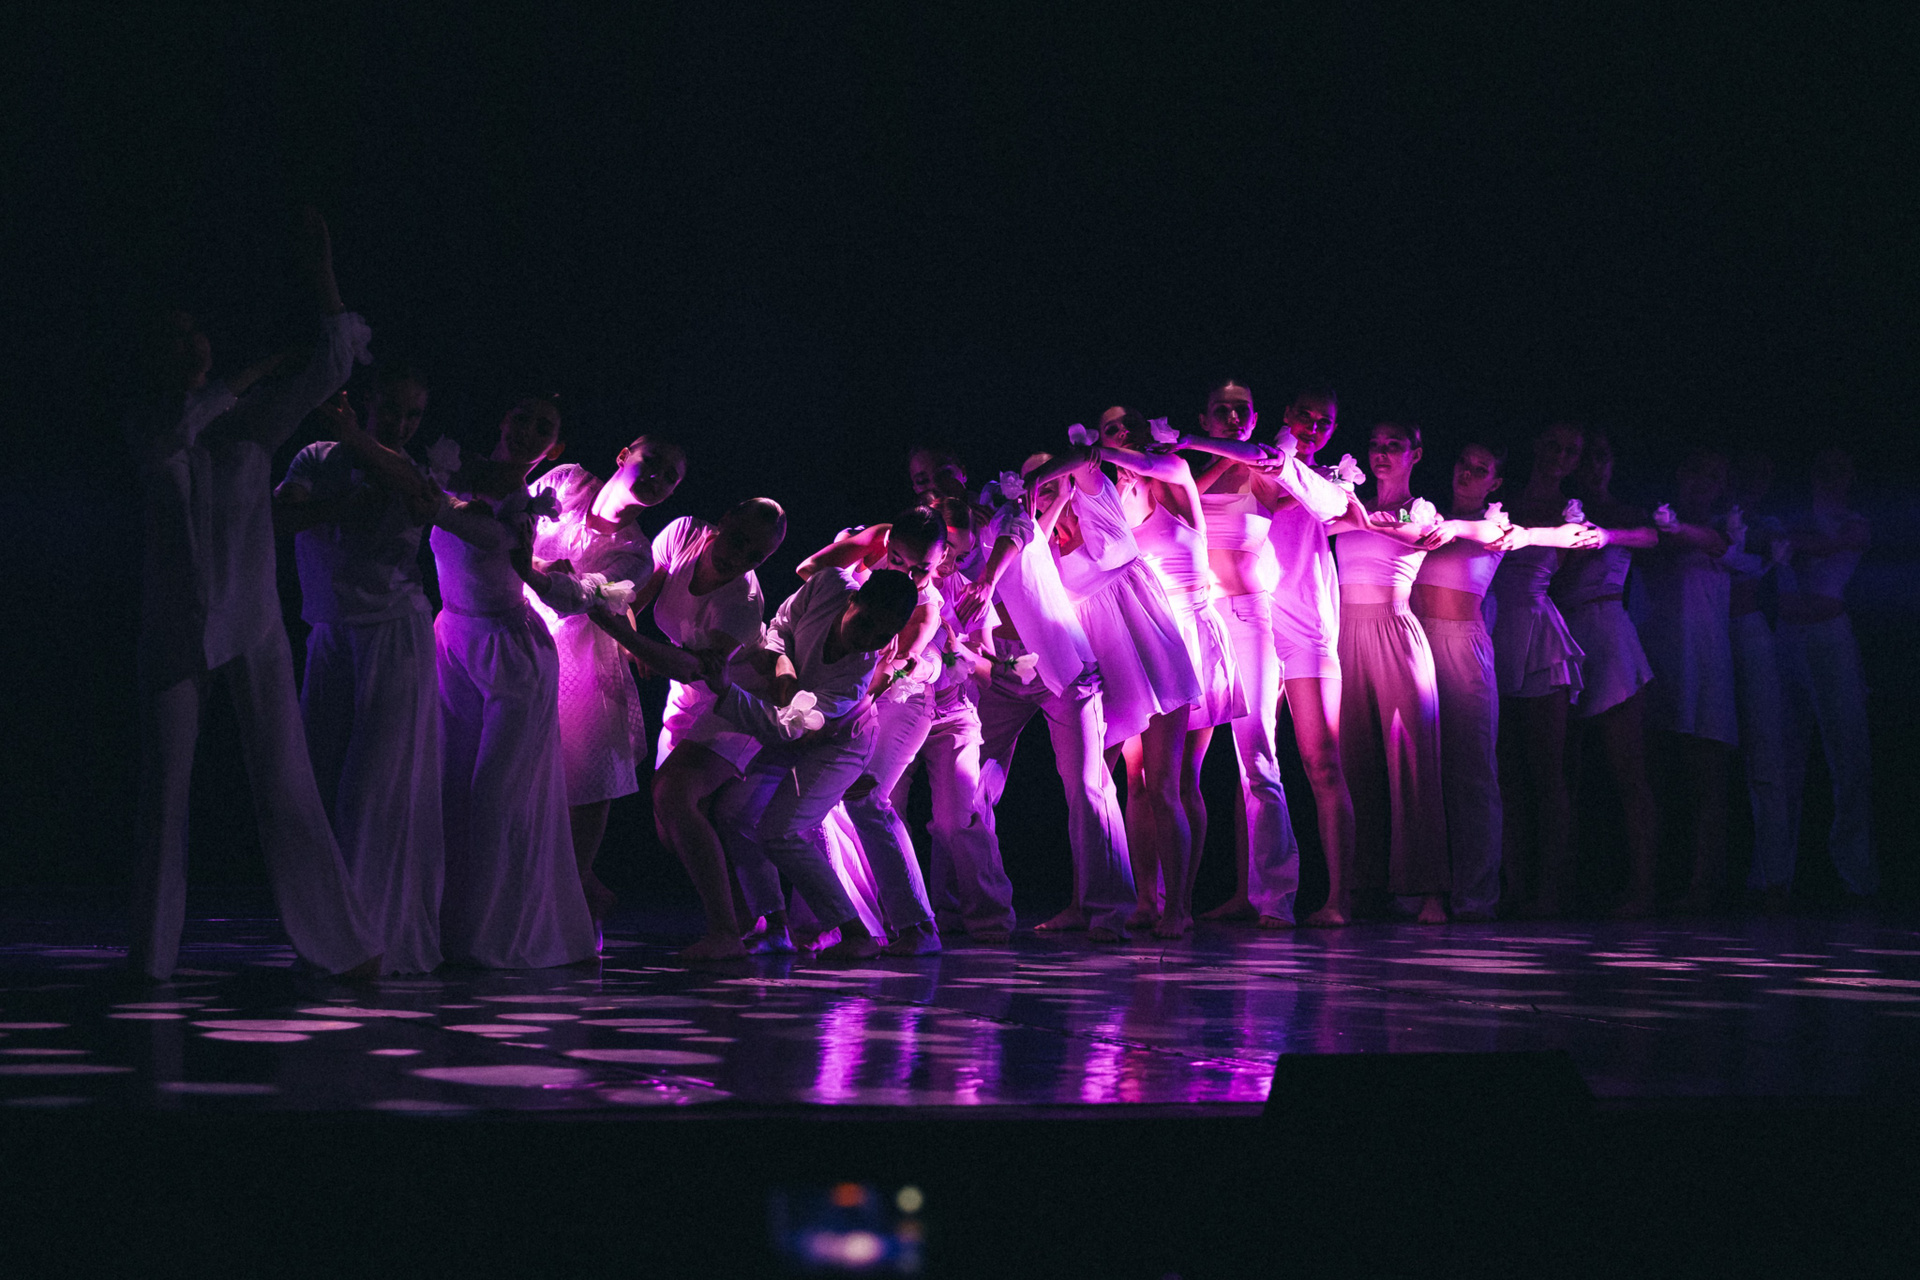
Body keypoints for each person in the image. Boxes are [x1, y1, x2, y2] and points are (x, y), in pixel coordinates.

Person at [126, 210, 381, 981]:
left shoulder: (251, 423)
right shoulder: (150, 423)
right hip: (176, 627)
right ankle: (150, 961)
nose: (192, 348)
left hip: (253, 620)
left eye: (197, 335)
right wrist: (255, 369)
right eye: (175, 339)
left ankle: (343, 946)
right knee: (165, 795)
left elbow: (335, 359)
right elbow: (176, 435)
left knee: (286, 781)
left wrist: (321, 272)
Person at [274, 367, 443, 973]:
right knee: (322, 780)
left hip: (394, 631)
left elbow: (412, 487)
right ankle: (334, 931)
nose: (402, 424)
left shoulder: (413, 468)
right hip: (330, 630)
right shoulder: (317, 457)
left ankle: (374, 936)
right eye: (392, 409)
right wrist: (342, 497)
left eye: (414, 414)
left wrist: (357, 436)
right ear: (367, 401)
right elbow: (279, 519)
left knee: (376, 789)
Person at [1170, 385, 1356, 925]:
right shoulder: (1188, 477)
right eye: (1221, 411)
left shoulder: (1275, 468)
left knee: (1279, 758)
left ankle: (1292, 896)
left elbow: (1329, 503)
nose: (1232, 418)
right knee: (1202, 763)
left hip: (1276, 617)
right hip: (1209, 617)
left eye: (1241, 411)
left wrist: (1194, 443)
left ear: (1255, 419)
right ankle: (1209, 895)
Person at [431, 395, 597, 967]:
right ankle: (450, 929)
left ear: (554, 446)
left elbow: (495, 549)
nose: (529, 432)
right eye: (522, 418)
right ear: (503, 420)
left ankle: (493, 939)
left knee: (495, 798)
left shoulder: (521, 502)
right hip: (453, 639)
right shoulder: (456, 470)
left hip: (512, 652)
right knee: (453, 792)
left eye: (543, 428)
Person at [1026, 418, 1204, 937]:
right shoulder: (1039, 542)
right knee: (1089, 789)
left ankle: (1178, 908)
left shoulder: (1097, 498)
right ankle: (1085, 902)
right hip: (1101, 665)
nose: (1044, 493)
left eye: (1050, 481)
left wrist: (1045, 480)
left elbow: (1086, 459)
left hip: (1151, 650)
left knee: (1162, 785)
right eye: (1037, 488)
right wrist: (1042, 507)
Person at [947, 455, 1136, 943]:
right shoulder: (972, 527)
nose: (1043, 490)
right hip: (999, 669)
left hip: (1061, 665)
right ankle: (980, 908)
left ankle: (1107, 911)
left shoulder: (1024, 518)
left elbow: (1017, 532)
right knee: (967, 786)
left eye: (1053, 482)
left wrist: (988, 579)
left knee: (1089, 788)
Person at [706, 569, 922, 963]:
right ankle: (775, 928)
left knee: (780, 831)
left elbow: (788, 728)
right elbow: (780, 626)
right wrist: (783, 667)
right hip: (794, 726)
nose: (868, 639)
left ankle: (855, 933)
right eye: (866, 623)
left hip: (842, 747)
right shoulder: (829, 585)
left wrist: (726, 690)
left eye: (882, 636)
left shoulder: (854, 678)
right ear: (852, 600)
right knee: (733, 813)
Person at [523, 435, 687, 929]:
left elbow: (577, 598)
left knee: (585, 781)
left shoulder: (635, 554)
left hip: (580, 660)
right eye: (652, 461)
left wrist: (537, 569)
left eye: (670, 478)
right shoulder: (567, 481)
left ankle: (578, 891)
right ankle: (578, 891)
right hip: (517, 636)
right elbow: (509, 521)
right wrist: (533, 564)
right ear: (623, 456)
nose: (657, 477)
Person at [1095, 407, 1242, 933]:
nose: (1123, 433)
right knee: (1136, 781)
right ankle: (1146, 899)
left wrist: (1088, 452)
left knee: (1177, 779)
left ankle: (1180, 903)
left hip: (1190, 635)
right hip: (1141, 639)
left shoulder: (1175, 472)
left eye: (1131, 425)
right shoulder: (1111, 497)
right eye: (1111, 428)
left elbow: (1144, 463)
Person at [795, 508, 950, 954]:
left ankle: (919, 927)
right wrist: (860, 564)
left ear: (940, 561)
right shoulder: (871, 550)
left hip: (898, 699)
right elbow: (808, 571)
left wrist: (838, 722)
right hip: (851, 688)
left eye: (922, 568)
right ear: (888, 544)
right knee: (816, 806)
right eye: (898, 560)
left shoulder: (926, 608)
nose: (907, 575)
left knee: (866, 798)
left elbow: (888, 675)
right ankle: (843, 923)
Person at [1327, 423, 1453, 923]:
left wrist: (1358, 520)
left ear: (1415, 454)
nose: (1381, 454)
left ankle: (1428, 889)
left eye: (1393, 446)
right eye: (1375, 445)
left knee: (1412, 759)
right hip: (1346, 633)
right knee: (1351, 761)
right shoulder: (1350, 504)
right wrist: (1352, 516)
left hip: (1395, 630)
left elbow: (1416, 534)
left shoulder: (1420, 509)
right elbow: (1319, 529)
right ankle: (1360, 884)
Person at [1409, 444, 1520, 922]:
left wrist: (1452, 527)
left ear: (1495, 482)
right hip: (1415, 639)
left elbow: (1484, 533)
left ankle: (1476, 893)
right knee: (1418, 767)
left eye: (1481, 469)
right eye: (1463, 463)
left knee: (1472, 770)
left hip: (1463, 645)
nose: (1468, 473)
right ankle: (1416, 889)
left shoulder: (1496, 526)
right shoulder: (1426, 517)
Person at [1629, 448, 1740, 912]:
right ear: (1681, 473)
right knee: (1651, 773)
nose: (1703, 482)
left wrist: (1676, 529)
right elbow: (1654, 542)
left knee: (1706, 775)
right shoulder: (1651, 525)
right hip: (1657, 658)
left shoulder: (1726, 529)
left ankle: (1702, 887)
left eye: (1714, 475)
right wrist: (1666, 528)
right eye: (1697, 471)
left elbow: (1709, 540)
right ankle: (1648, 885)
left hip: (1706, 663)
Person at [1557, 431, 1661, 916]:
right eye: (1586, 457)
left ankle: (1643, 886)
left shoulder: (1623, 513)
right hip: (1563, 630)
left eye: (1602, 456)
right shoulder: (1558, 509)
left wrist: (1606, 536)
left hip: (1610, 631)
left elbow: (1651, 537)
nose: (1594, 466)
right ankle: (1562, 886)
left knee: (1629, 770)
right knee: (1564, 773)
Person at [1489, 424, 1589, 916]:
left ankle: (1553, 888)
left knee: (1547, 769)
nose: (1560, 456)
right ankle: (1513, 883)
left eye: (1571, 451)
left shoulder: (1571, 510)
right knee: (1504, 769)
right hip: (1491, 626)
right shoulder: (1503, 496)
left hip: (1539, 632)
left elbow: (1569, 579)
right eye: (1553, 445)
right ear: (1536, 446)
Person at [1775, 447, 1878, 901]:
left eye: (1840, 469)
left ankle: (1857, 874)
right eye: (1823, 469)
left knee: (1849, 753)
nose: (1830, 477)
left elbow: (1830, 544)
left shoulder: (1855, 523)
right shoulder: (1789, 520)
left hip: (1831, 638)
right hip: (1788, 637)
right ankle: (1774, 875)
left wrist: (1790, 543)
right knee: (1783, 757)